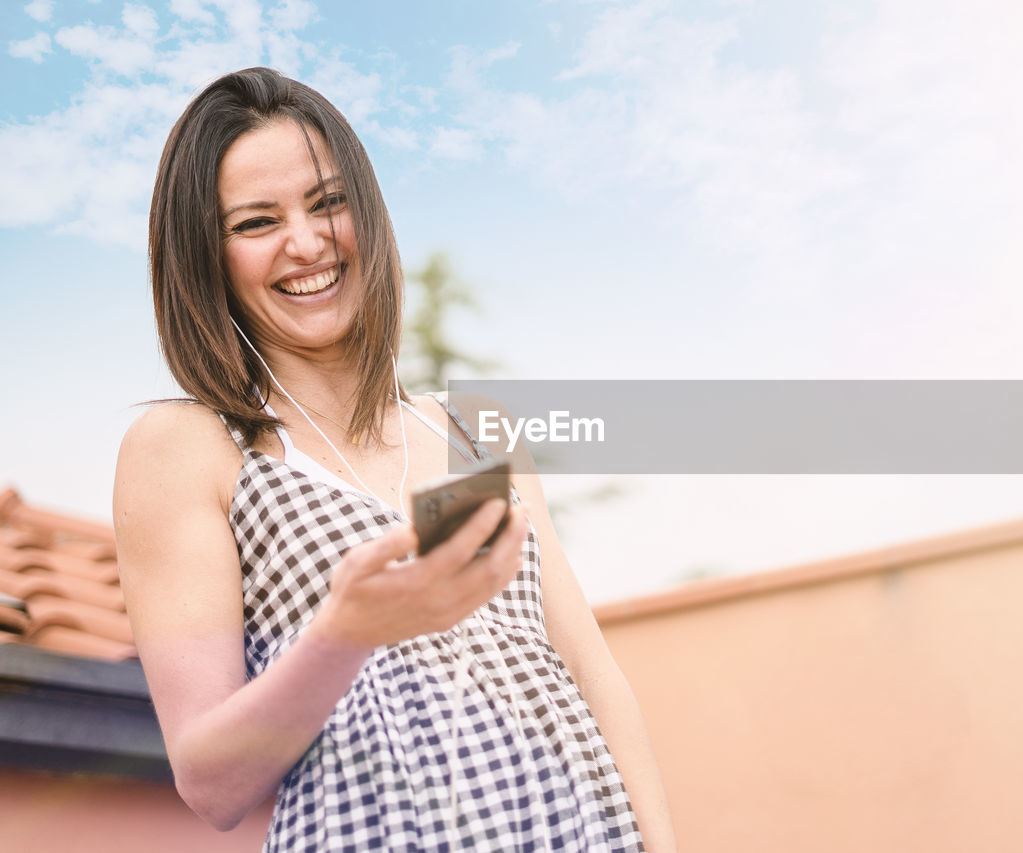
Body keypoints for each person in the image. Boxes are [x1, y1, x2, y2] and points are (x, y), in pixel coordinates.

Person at [114, 66, 676, 852]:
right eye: (255, 222)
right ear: (207, 256)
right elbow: (211, 782)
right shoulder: (188, 448)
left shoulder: (482, 434)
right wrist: (343, 633)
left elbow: (591, 674)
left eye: (328, 202)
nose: (306, 242)